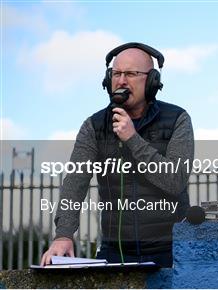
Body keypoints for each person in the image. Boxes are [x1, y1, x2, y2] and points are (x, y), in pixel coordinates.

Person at [40, 42, 193, 267]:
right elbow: (75, 182)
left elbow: (175, 180)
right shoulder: (94, 126)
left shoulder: (178, 119)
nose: (121, 81)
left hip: (171, 252)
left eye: (131, 73)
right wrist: (63, 235)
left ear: (152, 81)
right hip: (115, 253)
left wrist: (132, 138)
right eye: (117, 73)